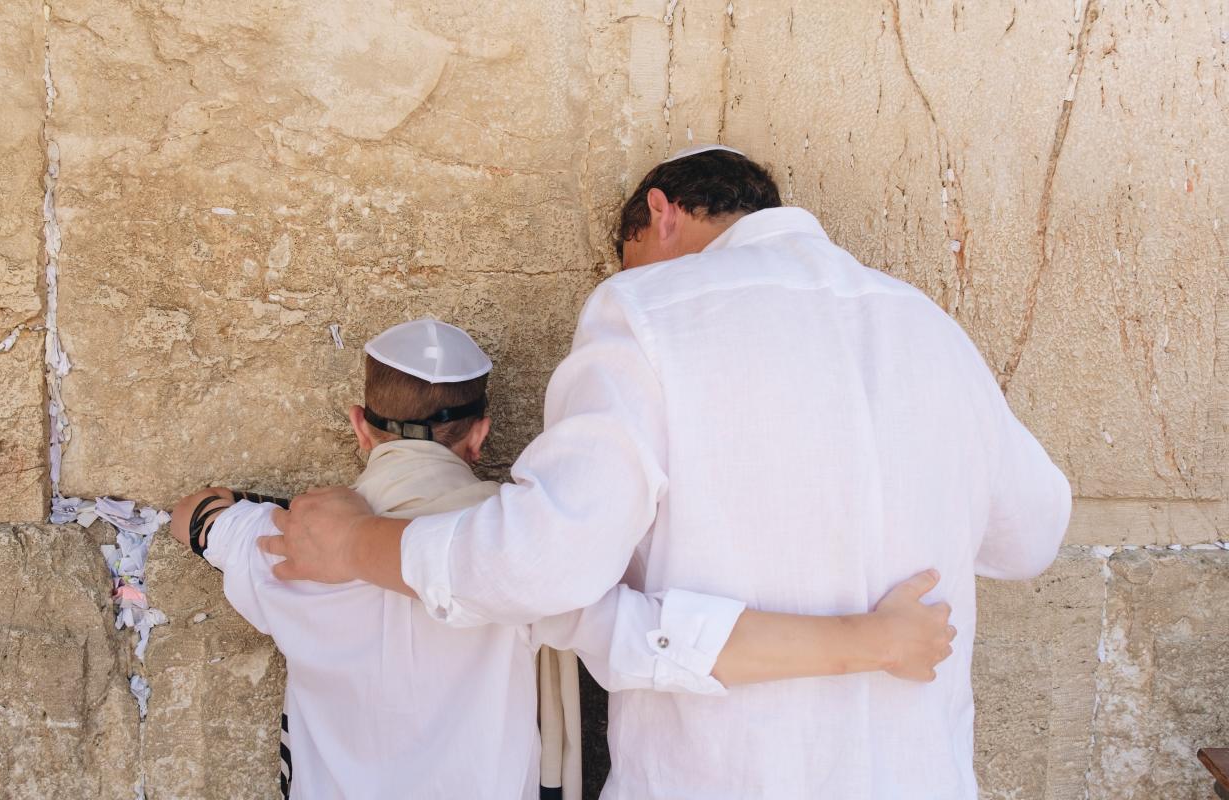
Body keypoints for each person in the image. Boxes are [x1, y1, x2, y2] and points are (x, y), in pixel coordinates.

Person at [264, 146, 1074, 798]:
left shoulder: (647, 310)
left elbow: (540, 563)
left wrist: (355, 546)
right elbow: (1032, 537)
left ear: (661, 213)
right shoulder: (928, 325)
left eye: (627, 257)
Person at [174, 317, 957, 799]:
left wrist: (233, 511)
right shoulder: (520, 555)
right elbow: (663, 642)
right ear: (480, 435)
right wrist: (875, 641)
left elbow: (196, 517)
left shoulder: (283, 543)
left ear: (359, 424)